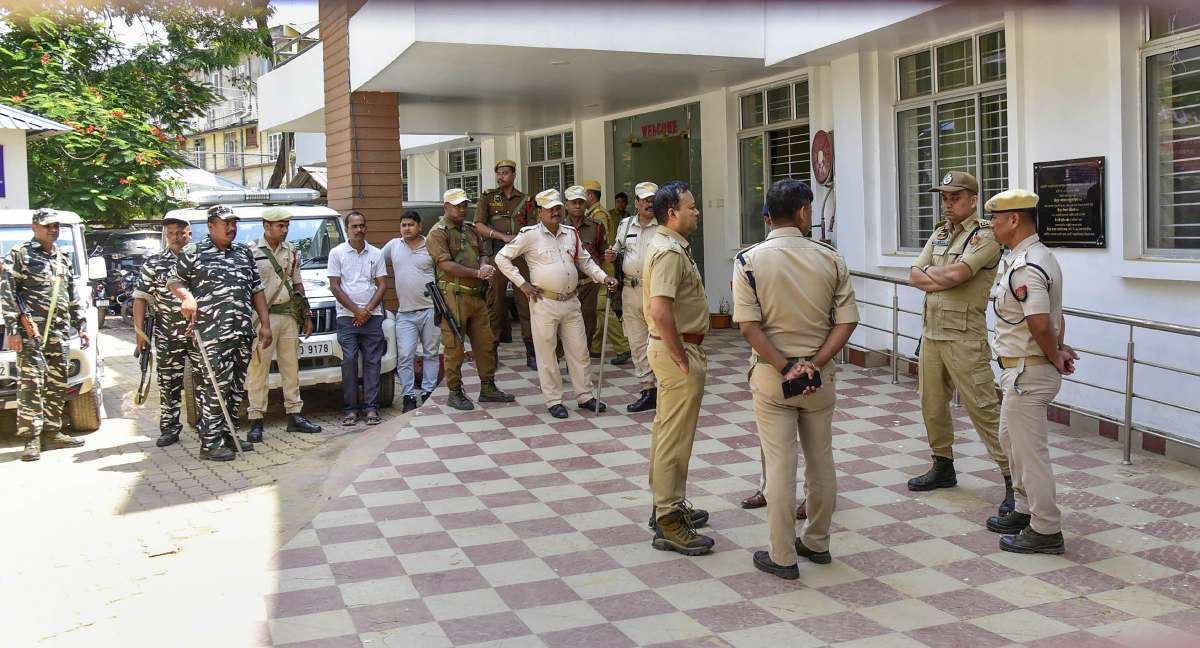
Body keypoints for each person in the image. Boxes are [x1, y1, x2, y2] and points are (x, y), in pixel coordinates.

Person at [733, 180, 859, 580]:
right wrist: (815, 364)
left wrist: (786, 367)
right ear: (804, 213)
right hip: (819, 380)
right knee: (821, 460)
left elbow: (749, 327)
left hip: (773, 377)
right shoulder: (831, 259)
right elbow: (847, 321)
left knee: (779, 465)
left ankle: (783, 555)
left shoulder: (749, 261)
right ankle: (817, 542)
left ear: (769, 215)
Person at [908, 171, 1015, 516]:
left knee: (983, 408)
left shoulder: (985, 235)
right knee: (932, 405)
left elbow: (959, 275)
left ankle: (1014, 479)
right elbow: (913, 274)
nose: (947, 203)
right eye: (944, 197)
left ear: (972, 199)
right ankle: (943, 465)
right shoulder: (940, 233)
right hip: (932, 334)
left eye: (954, 197)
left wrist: (933, 279)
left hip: (964, 336)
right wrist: (941, 279)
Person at [983, 189, 1076, 555]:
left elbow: (1040, 323)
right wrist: (1060, 348)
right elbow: (1057, 315)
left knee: (1029, 452)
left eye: (995, 218)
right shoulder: (1027, 257)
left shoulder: (1026, 265)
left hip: (1028, 371)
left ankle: (1046, 528)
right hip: (1021, 370)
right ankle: (1024, 509)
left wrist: (1054, 355)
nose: (991, 224)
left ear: (1014, 220)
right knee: (1012, 443)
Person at [495, 188, 617, 418]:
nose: (555, 211)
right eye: (550, 208)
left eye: (557, 207)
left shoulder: (571, 233)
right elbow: (502, 258)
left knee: (580, 351)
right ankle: (553, 400)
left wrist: (604, 277)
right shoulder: (530, 234)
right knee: (547, 353)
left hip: (571, 301)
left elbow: (586, 262)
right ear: (540, 211)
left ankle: (585, 396)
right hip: (544, 302)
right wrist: (522, 284)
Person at [169, 205, 273, 461]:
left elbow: (256, 289)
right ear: (211, 226)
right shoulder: (193, 252)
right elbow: (174, 280)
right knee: (214, 387)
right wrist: (187, 298)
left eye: (234, 223)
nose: (231, 227)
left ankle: (228, 434)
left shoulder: (243, 253)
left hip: (241, 333)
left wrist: (265, 324)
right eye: (225, 223)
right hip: (211, 336)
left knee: (236, 387)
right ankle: (210, 442)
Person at [643, 181, 713, 555]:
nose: (696, 212)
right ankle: (669, 518)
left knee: (665, 431)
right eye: (691, 207)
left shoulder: (669, 246)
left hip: (676, 348)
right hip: (677, 350)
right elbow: (660, 310)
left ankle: (664, 506)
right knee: (675, 437)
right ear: (672, 213)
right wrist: (681, 356)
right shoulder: (669, 251)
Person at [1, 209, 89, 461]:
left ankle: (52, 432)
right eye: (47, 225)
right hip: (32, 333)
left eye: (55, 225)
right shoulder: (21, 255)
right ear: (34, 228)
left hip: (59, 332)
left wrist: (80, 325)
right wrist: (13, 330)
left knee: (57, 383)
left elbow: (71, 295)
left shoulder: (63, 257)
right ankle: (31, 439)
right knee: (31, 385)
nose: (53, 229)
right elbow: (7, 293)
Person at [428, 188, 516, 411]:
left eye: (464, 205)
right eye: (457, 205)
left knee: (485, 344)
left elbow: (484, 251)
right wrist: (477, 273)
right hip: (453, 297)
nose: (462, 209)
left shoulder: (470, 230)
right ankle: (455, 392)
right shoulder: (438, 233)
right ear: (445, 207)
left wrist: (485, 264)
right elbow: (445, 264)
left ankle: (488, 386)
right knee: (454, 347)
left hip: (477, 296)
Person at [245, 207, 322, 441]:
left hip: (288, 315)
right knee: (258, 369)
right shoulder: (251, 252)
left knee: (291, 368)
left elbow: (297, 284)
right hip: (262, 318)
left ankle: (294, 414)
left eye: (287, 225)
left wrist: (306, 315)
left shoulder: (292, 251)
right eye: (280, 225)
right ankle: (256, 419)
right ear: (266, 226)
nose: (285, 230)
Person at [133, 214, 192, 448]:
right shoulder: (154, 263)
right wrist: (140, 334)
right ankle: (170, 428)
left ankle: (211, 426)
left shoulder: (201, 259)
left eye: (180, 233)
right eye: (171, 234)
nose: (176, 238)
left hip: (199, 331)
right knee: (168, 382)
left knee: (206, 379)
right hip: (168, 332)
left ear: (189, 232)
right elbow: (140, 299)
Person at [328, 211, 389, 427]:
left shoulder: (376, 253)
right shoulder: (337, 253)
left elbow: (382, 284)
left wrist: (368, 310)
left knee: (373, 362)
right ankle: (351, 409)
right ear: (347, 229)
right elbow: (334, 285)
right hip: (347, 317)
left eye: (362, 225)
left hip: (372, 317)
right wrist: (356, 310)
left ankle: (371, 408)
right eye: (354, 226)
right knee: (350, 361)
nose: (359, 229)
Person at [604, 181, 661, 411]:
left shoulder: (665, 224)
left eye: (653, 199)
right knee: (637, 342)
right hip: (630, 290)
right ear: (636, 203)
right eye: (645, 199)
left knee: (659, 341)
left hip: (657, 290)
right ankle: (648, 389)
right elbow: (617, 249)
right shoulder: (626, 225)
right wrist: (611, 255)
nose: (650, 203)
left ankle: (666, 388)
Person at [474, 160, 536, 369]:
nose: (501, 177)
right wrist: (500, 235)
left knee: (526, 302)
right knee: (495, 303)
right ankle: (492, 350)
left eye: (505, 173)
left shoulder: (526, 200)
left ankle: (531, 350)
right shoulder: (488, 198)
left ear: (513, 175)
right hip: (497, 254)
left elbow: (533, 227)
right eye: (498, 173)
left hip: (521, 257)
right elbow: (479, 225)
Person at [382, 210, 440, 413]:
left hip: (431, 309)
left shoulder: (431, 245)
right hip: (405, 313)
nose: (407, 228)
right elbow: (376, 265)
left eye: (411, 225)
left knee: (431, 353)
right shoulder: (393, 246)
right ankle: (408, 396)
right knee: (405, 354)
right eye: (403, 225)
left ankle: (428, 392)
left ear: (419, 226)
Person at [584, 180, 630, 362]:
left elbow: (600, 241)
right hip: (599, 266)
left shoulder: (599, 215)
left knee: (604, 307)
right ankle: (595, 346)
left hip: (603, 266)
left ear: (590, 195)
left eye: (583, 196)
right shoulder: (595, 213)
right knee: (599, 307)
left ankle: (623, 347)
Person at [563, 185, 608, 348]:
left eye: (581, 202)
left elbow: (602, 253)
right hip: (564, 286)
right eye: (573, 202)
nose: (577, 206)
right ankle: (567, 359)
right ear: (566, 204)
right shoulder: (558, 226)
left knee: (588, 325)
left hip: (588, 285)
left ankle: (582, 361)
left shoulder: (596, 227)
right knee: (563, 327)